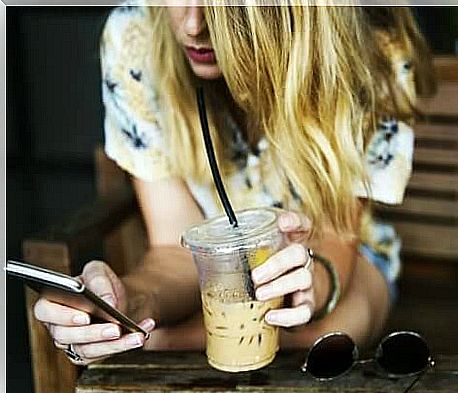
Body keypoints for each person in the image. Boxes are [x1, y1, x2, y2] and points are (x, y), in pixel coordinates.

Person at [33, 2, 435, 366]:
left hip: (342, 257)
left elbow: (336, 236)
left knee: (330, 333)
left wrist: (310, 284)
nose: (193, 25)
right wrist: (127, 303)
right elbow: (175, 250)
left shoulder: (374, 52)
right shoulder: (135, 38)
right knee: (291, 339)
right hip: (212, 276)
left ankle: (156, 342)